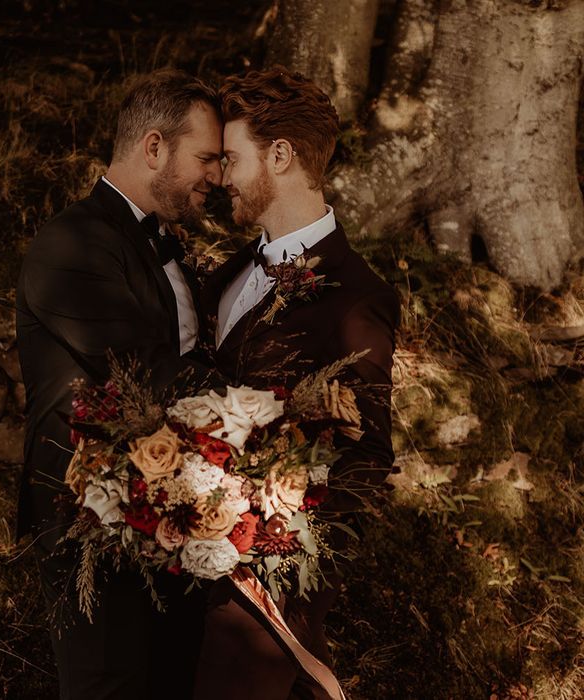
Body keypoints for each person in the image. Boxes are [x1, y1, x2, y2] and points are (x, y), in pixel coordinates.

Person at [193, 67, 400, 700]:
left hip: (263, 607)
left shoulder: (357, 297)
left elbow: (363, 462)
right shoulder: (226, 273)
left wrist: (283, 570)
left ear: (279, 155)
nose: (220, 177)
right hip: (182, 572)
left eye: (232, 159)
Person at [15, 69, 222, 700]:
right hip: (91, 514)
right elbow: (139, 369)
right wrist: (258, 398)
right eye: (206, 158)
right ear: (154, 147)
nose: (215, 177)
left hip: (169, 510)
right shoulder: (71, 242)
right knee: (110, 686)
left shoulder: (164, 243)